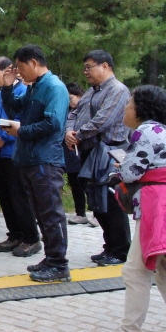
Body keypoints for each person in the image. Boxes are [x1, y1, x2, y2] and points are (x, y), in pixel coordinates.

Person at [1, 44, 71, 282]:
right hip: (29, 159)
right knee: (41, 213)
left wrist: (22, 131)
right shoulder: (34, 87)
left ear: (33, 62)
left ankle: (59, 265)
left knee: (51, 214)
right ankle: (51, 258)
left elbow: (53, 123)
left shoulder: (54, 87)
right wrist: (7, 86)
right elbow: (14, 110)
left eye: (20, 67)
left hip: (45, 160)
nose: (19, 72)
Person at [65, 49, 132, 266]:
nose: (85, 71)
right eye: (84, 68)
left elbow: (103, 120)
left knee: (111, 202)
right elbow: (74, 113)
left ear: (105, 66)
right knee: (97, 203)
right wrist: (68, 131)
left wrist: (78, 135)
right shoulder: (91, 92)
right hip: (90, 151)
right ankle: (109, 246)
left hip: (108, 152)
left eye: (89, 67)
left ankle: (121, 250)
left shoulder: (117, 90)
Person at [118, 85, 166, 332]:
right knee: (162, 269)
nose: (126, 108)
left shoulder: (146, 131)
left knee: (136, 271)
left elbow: (130, 173)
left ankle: (130, 328)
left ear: (141, 109)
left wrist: (119, 167)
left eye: (129, 103)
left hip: (156, 208)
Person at [0, 57, 41, 257]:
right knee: (5, 196)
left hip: (14, 153)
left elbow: (21, 120)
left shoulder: (23, 92)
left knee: (19, 196)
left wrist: (4, 138)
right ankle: (14, 234)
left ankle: (31, 238)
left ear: (7, 71)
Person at [64, 82, 92, 225]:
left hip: (86, 150)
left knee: (89, 183)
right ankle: (80, 213)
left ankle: (96, 212)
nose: (70, 101)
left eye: (71, 98)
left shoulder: (88, 107)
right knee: (75, 183)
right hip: (71, 152)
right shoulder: (67, 112)